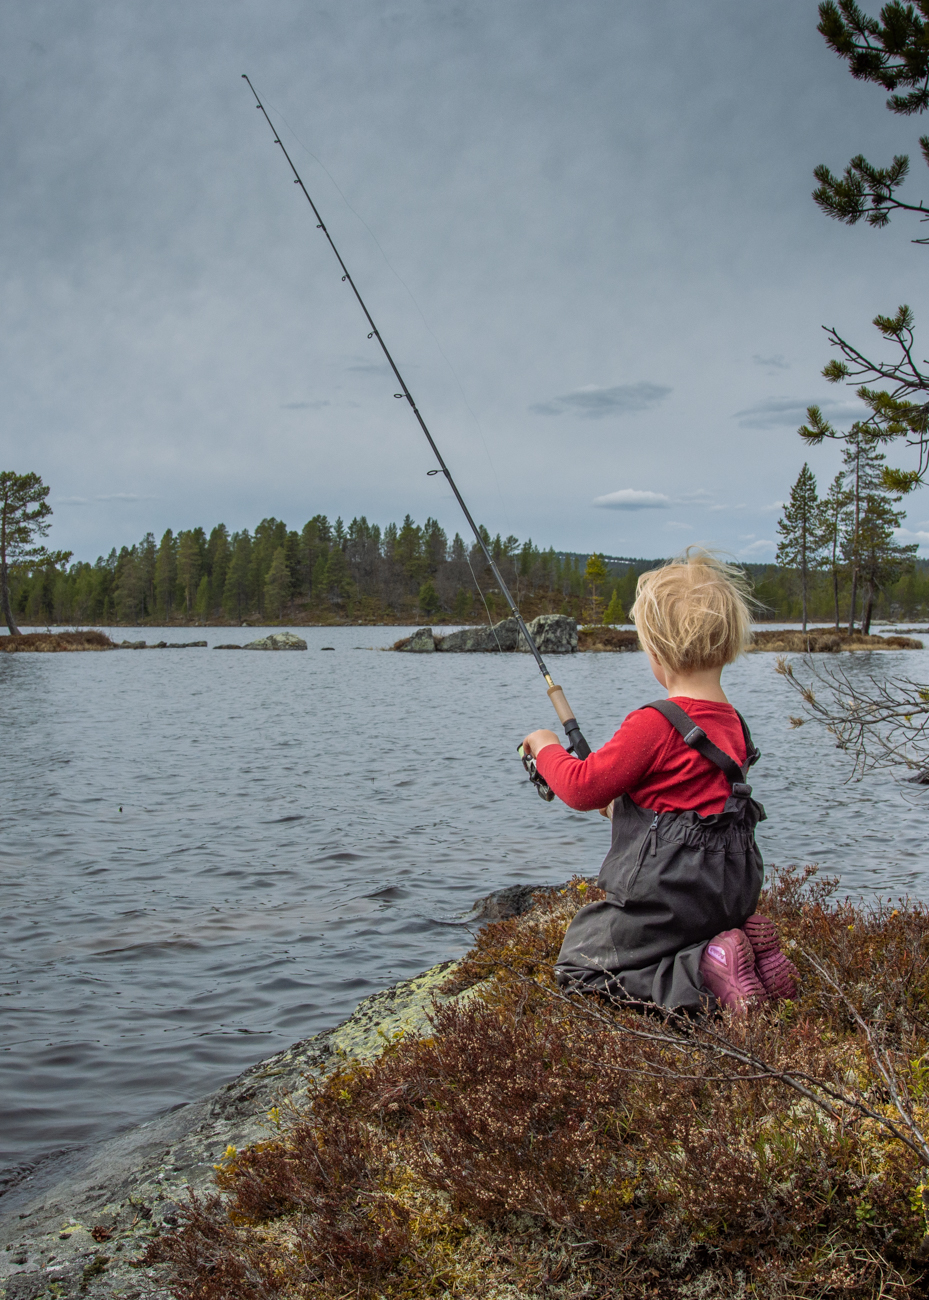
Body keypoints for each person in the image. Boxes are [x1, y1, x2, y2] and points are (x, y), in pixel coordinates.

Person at [521, 549, 798, 1015]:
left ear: (657, 653)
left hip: (672, 894)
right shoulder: (734, 724)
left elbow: (582, 788)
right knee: (687, 932)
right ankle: (743, 941)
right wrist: (627, 805)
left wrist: (544, 744)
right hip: (730, 889)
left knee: (583, 964)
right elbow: (685, 796)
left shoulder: (655, 723)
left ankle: (707, 971)